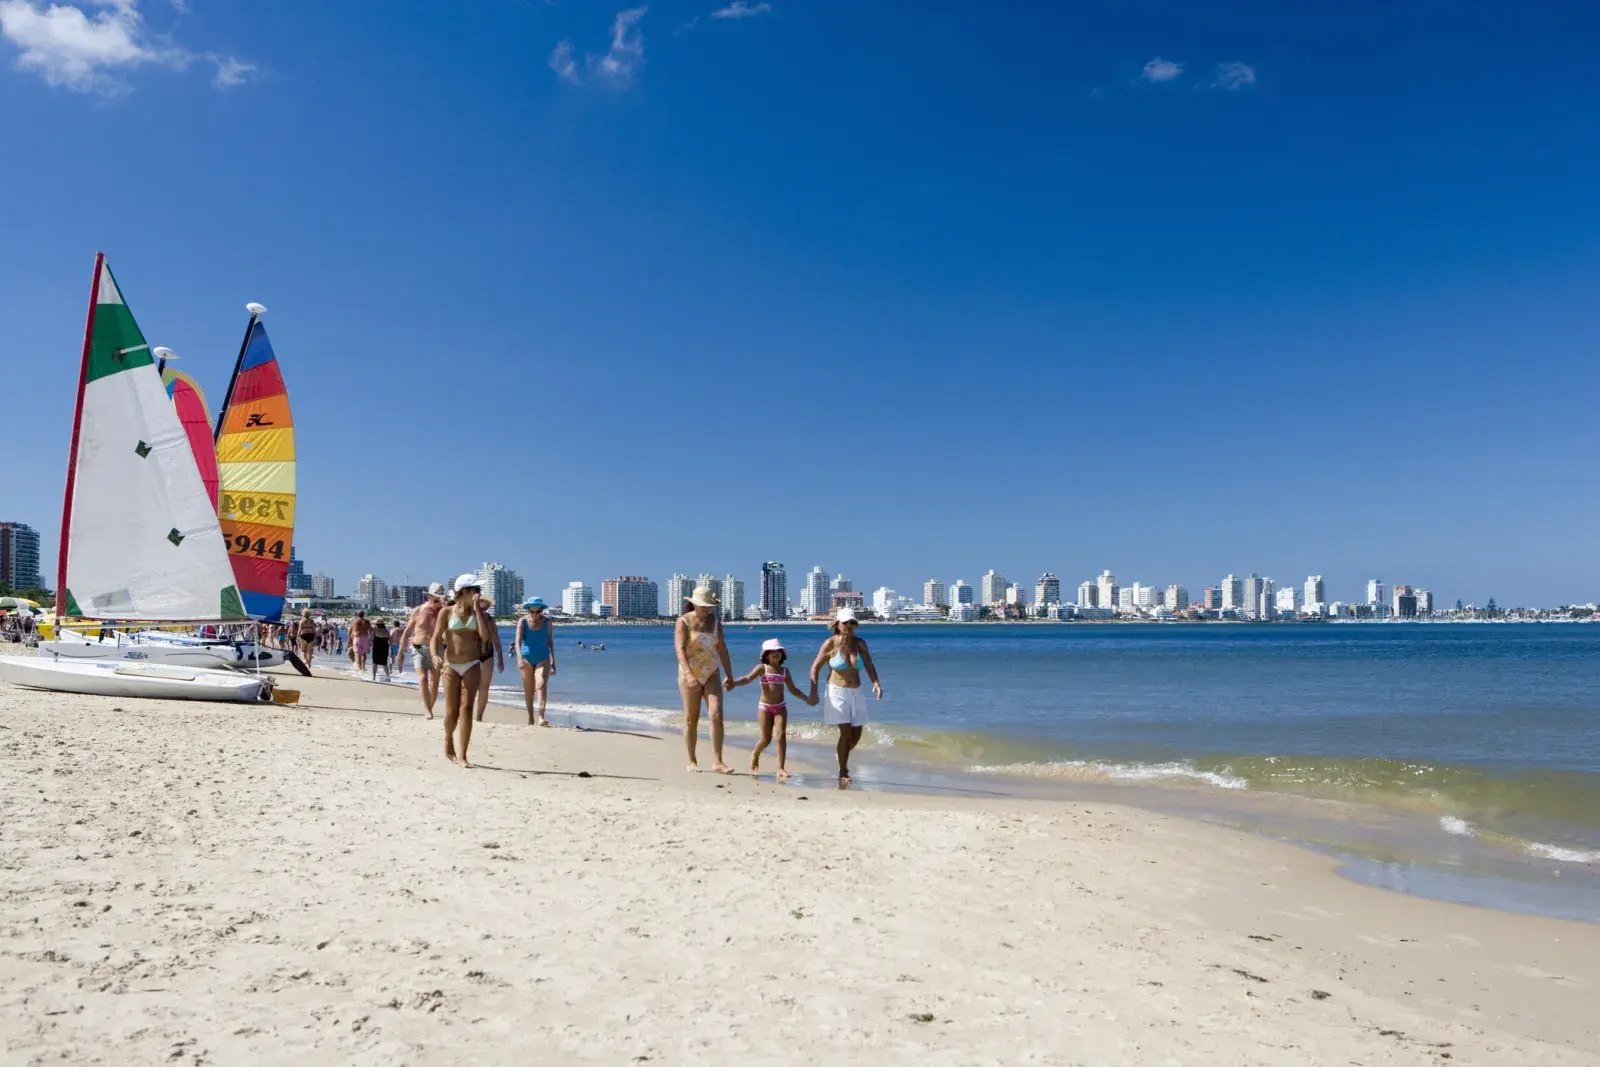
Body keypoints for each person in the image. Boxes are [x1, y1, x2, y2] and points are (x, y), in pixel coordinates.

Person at [808, 607, 882, 785]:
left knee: (856, 736)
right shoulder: (830, 644)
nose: (848, 625)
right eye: (844, 622)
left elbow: (869, 664)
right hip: (836, 692)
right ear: (837, 624)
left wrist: (876, 683)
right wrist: (813, 691)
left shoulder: (860, 643)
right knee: (846, 733)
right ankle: (843, 770)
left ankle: (841, 754)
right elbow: (815, 668)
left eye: (851, 622)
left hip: (856, 691)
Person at [431, 574, 495, 768]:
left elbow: (485, 636)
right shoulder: (446, 612)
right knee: (451, 713)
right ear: (464, 592)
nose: (479, 593)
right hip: (451, 665)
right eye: (476, 589)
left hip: (472, 664)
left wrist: (478, 610)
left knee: (466, 709)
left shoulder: (477, 613)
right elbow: (435, 637)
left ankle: (463, 755)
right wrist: (434, 655)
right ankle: (448, 738)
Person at [730, 638, 816, 781]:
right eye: (772, 652)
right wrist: (734, 683)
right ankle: (755, 753)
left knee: (781, 735)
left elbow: (793, 690)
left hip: (780, 707)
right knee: (766, 739)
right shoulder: (762, 668)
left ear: (783, 654)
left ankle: (781, 768)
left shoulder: (784, 671)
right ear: (766, 654)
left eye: (779, 651)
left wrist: (807, 699)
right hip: (765, 707)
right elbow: (747, 678)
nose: (776, 654)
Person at [675, 586, 735, 773]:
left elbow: (722, 649)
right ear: (693, 604)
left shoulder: (716, 623)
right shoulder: (683, 622)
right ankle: (692, 760)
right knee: (691, 719)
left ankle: (718, 762)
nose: (705, 609)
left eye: (708, 606)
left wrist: (730, 675)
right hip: (689, 673)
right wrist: (689, 675)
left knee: (716, 715)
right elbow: (679, 650)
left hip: (711, 673)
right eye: (702, 605)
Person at [398, 582, 447, 719]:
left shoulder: (444, 612)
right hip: (419, 647)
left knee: (434, 681)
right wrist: (400, 652)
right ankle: (427, 709)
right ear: (429, 597)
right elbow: (407, 631)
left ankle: (429, 708)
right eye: (436, 600)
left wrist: (445, 607)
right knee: (423, 678)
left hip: (437, 649)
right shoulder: (419, 610)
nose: (437, 604)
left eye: (440, 600)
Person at [513, 597, 556, 727]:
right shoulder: (523, 621)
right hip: (526, 658)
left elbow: (550, 641)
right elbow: (517, 642)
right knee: (529, 690)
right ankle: (531, 716)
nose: (535, 614)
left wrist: (553, 661)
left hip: (543, 657)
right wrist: (519, 658)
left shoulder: (547, 622)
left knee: (541, 684)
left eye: (538, 612)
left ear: (542, 610)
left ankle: (541, 717)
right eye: (532, 611)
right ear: (528, 610)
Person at [472, 597, 506, 722]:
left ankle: (479, 717)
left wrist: (500, 657)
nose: (484, 609)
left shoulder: (490, 619)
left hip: (488, 654)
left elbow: (495, 638)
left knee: (484, 687)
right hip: (471, 654)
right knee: (469, 687)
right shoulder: (469, 617)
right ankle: (465, 713)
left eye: (486, 607)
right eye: (481, 606)